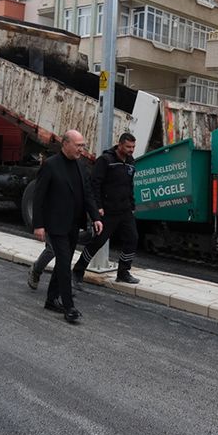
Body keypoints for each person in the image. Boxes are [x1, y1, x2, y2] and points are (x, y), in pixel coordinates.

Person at [32, 130, 102, 323]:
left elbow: (88, 195)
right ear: (66, 144)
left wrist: (95, 217)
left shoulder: (81, 166)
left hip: (73, 224)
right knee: (64, 263)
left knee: (64, 261)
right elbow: (39, 197)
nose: (82, 149)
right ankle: (69, 307)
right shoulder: (50, 165)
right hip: (56, 224)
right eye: (78, 145)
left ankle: (51, 299)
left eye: (83, 145)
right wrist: (38, 225)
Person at [72, 133, 141, 287]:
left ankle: (123, 272)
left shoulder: (130, 162)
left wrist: (132, 205)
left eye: (133, 147)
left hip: (125, 210)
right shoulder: (106, 160)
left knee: (132, 239)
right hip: (108, 211)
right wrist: (98, 207)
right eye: (128, 147)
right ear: (120, 145)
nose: (131, 150)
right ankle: (77, 271)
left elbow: (130, 186)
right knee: (97, 242)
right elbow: (94, 184)